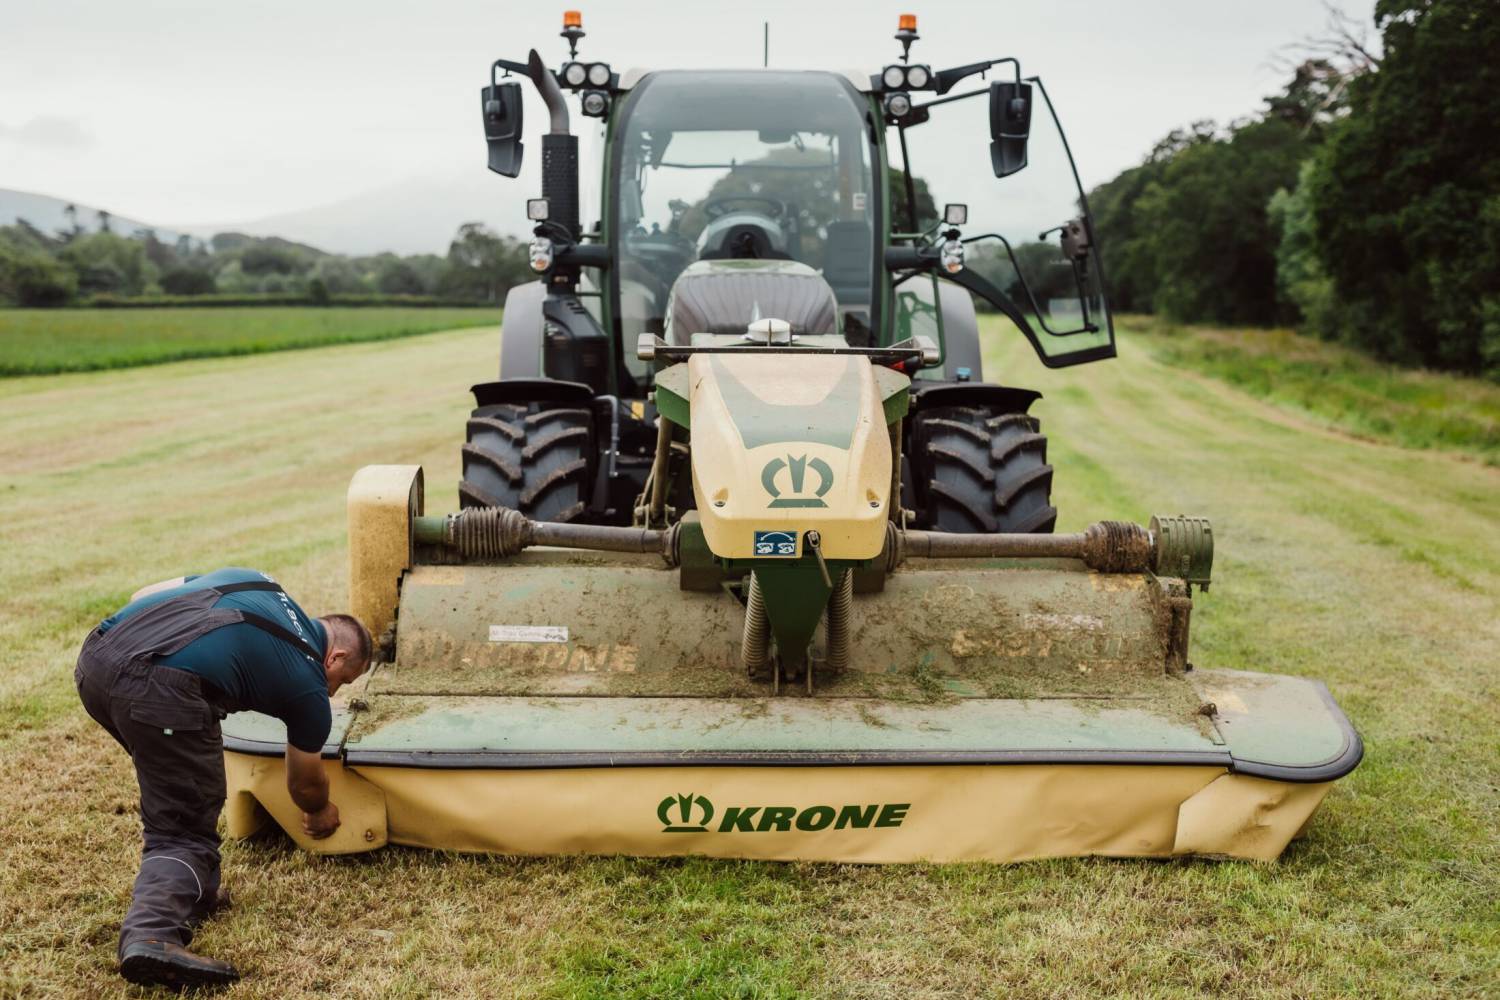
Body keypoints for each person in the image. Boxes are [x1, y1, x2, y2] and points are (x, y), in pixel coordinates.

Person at [75, 567, 372, 990]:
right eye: (342, 681)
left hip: (97, 658)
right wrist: (320, 812)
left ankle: (197, 891)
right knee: (183, 827)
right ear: (336, 658)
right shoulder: (309, 684)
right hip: (160, 690)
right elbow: (304, 783)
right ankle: (151, 935)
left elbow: (144, 592)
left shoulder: (256, 580)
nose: (334, 694)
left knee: (188, 783)